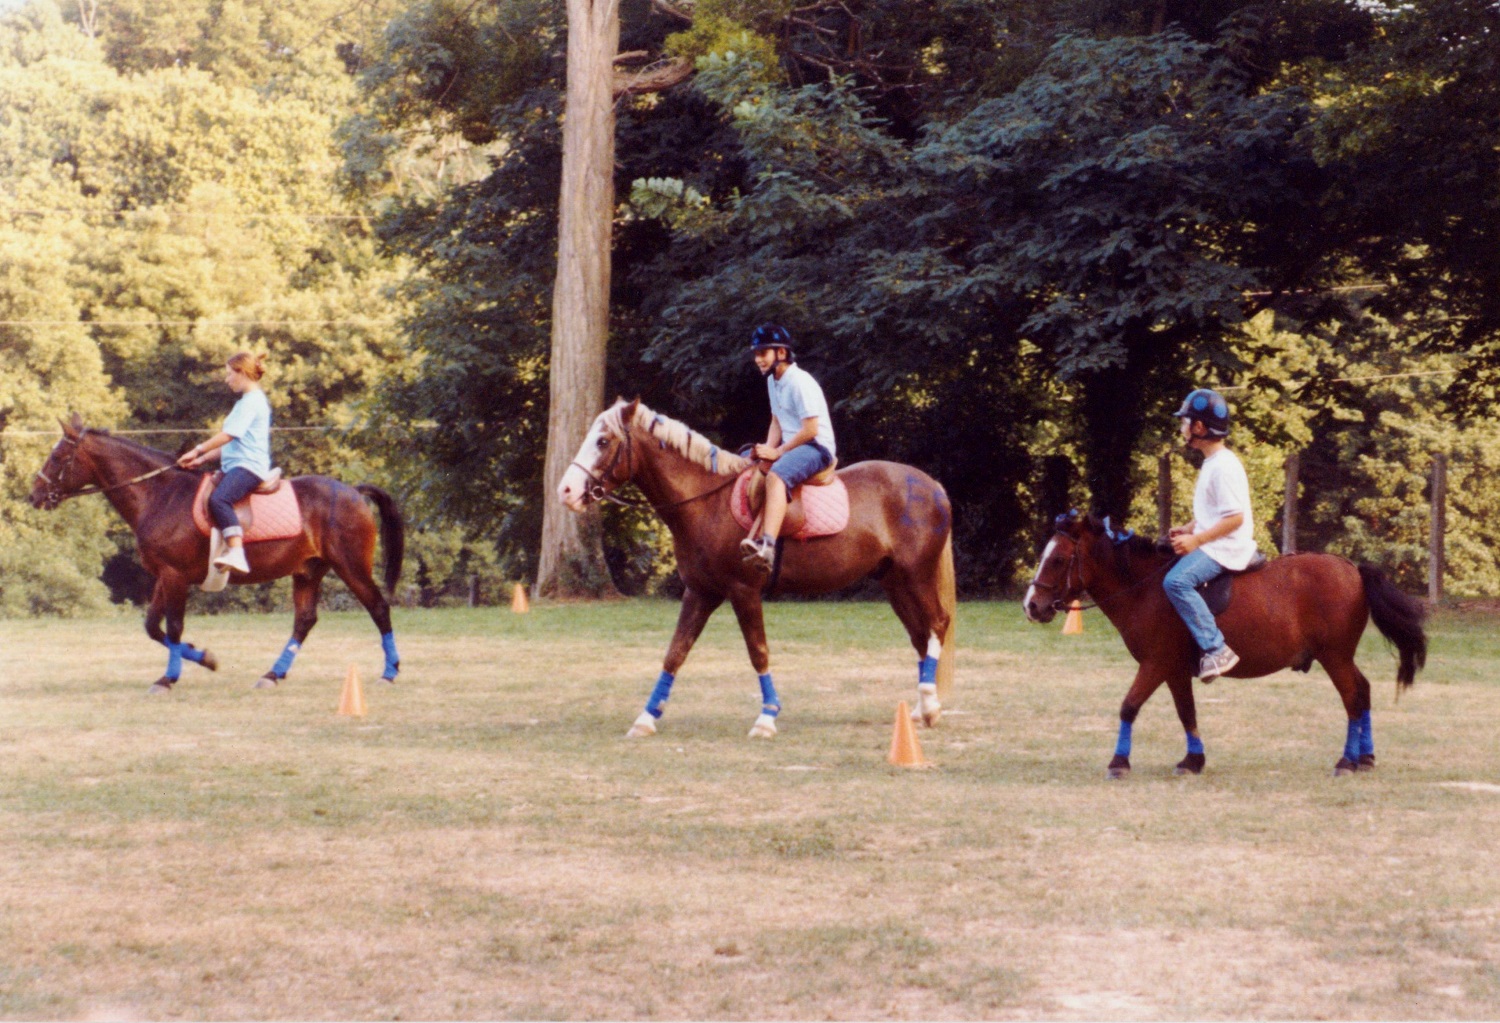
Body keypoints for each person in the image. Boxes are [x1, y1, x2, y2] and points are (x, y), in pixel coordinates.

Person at [1163, 387, 1257, 682]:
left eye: (1185, 422)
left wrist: (1197, 540)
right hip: (1215, 540)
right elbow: (1214, 511)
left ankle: (1216, 649)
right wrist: (1190, 528)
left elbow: (1235, 518)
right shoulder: (1213, 463)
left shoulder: (1223, 467)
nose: (1182, 428)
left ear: (1199, 427)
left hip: (1227, 546)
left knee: (1176, 581)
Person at [738, 324, 836, 573]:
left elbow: (811, 429)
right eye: (756, 354)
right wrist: (766, 449)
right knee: (743, 463)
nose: (758, 359)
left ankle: (767, 547)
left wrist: (778, 453)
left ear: (781, 353)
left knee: (777, 477)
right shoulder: (774, 381)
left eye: (763, 353)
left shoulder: (800, 382)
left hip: (816, 447)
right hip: (794, 446)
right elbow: (777, 420)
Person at [177, 351, 273, 575]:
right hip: (235, 464)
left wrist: (197, 449)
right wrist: (200, 459)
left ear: (243, 373)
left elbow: (229, 435)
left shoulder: (253, 402)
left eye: (230, 374)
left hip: (249, 466)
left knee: (220, 499)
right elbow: (229, 445)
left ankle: (236, 551)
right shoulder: (245, 402)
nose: (227, 379)